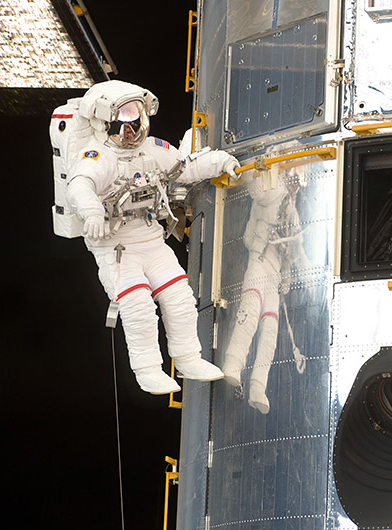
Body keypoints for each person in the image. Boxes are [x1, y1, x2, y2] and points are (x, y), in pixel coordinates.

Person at [65, 80, 240, 394]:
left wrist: (220, 162)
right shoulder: (98, 156)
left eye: (136, 119)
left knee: (180, 299)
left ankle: (188, 358)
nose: (132, 130)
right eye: (124, 121)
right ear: (105, 123)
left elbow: (185, 169)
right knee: (138, 307)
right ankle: (147, 370)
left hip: (150, 239)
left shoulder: (154, 149)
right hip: (116, 246)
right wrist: (91, 212)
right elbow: (80, 186)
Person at [221, 171, 308, 414]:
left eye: (299, 181)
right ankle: (233, 363)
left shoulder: (293, 212)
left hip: (274, 273)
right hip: (259, 260)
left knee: (270, 329)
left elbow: (296, 252)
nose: (296, 184)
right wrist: (258, 167)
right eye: (294, 178)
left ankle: (258, 386)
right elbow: (255, 185)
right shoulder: (273, 191)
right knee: (250, 309)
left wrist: (293, 278)